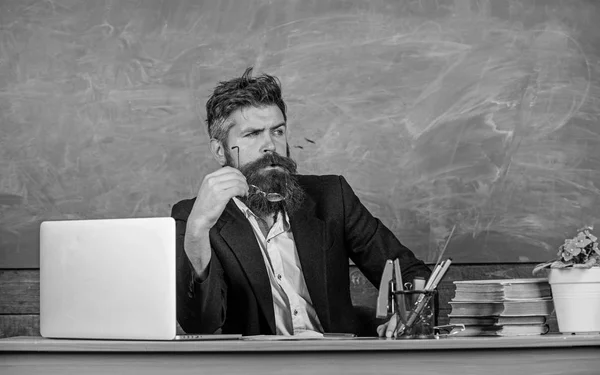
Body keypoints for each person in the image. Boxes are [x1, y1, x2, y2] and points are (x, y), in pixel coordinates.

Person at [171, 67, 432, 337]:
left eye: (278, 131)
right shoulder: (193, 216)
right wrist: (199, 228)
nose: (269, 145)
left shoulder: (332, 196)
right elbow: (201, 325)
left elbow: (412, 273)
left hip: (337, 363)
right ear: (219, 151)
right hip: (257, 367)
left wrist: (408, 313)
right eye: (252, 134)